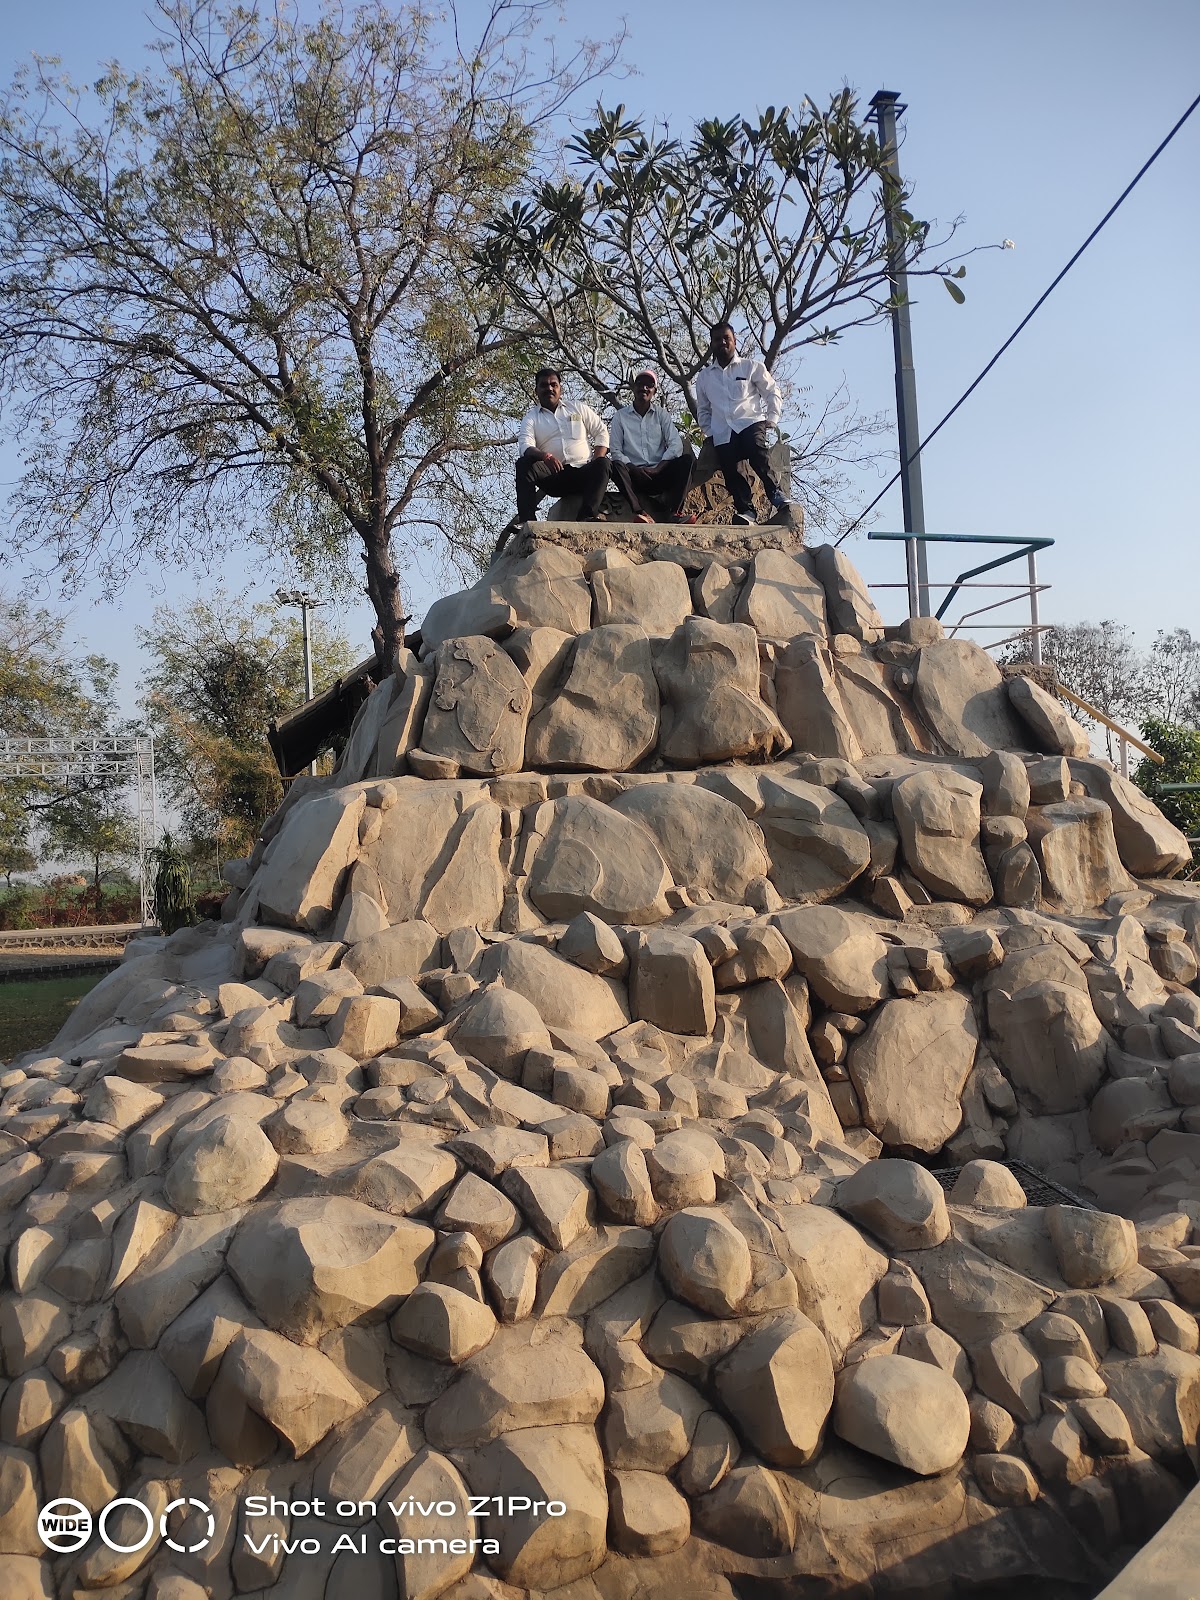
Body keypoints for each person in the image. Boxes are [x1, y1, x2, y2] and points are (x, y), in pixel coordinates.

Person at [694, 321, 794, 527]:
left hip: (750, 422)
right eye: (717, 339)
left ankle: (775, 493)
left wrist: (772, 418)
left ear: (734, 341)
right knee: (731, 470)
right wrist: (710, 432)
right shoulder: (704, 377)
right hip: (722, 431)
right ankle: (746, 511)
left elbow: (772, 391)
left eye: (726, 338)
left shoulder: (751, 366)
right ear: (711, 344)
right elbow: (703, 409)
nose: (722, 342)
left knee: (757, 451)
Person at [514, 368, 610, 524]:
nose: (549, 388)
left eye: (554, 384)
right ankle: (527, 521)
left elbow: (601, 432)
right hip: (554, 475)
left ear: (560, 388)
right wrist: (545, 457)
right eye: (544, 385)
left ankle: (587, 516)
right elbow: (525, 446)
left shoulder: (577, 408)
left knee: (604, 463)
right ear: (536, 390)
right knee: (523, 464)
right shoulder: (531, 418)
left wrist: (596, 459)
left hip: (582, 472)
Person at [607, 369, 696, 524]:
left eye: (649, 385)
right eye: (640, 384)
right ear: (633, 388)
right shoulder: (620, 417)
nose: (644, 388)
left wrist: (658, 468)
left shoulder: (662, 415)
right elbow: (615, 451)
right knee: (614, 465)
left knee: (686, 460)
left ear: (654, 391)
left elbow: (675, 445)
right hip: (634, 475)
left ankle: (675, 512)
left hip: (659, 473)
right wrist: (633, 468)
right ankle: (640, 513)